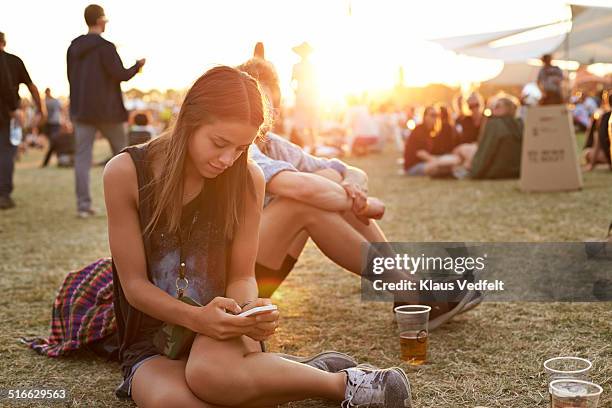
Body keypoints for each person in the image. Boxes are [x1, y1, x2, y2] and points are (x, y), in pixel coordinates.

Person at [104, 65, 412, 407]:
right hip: (151, 339)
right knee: (176, 402)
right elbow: (134, 288)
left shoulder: (248, 178)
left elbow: (241, 275)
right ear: (189, 119)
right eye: (220, 143)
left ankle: (345, 385)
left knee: (211, 377)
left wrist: (250, 311)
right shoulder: (126, 172)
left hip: (226, 327)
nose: (227, 159)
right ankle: (298, 373)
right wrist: (196, 317)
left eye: (240, 148)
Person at [238, 58, 479, 329]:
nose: (261, 118)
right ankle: (412, 291)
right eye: (253, 107)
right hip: (234, 280)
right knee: (304, 202)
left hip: (260, 264)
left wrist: (352, 188)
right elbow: (296, 187)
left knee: (324, 180)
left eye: (269, 109)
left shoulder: (274, 144)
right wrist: (363, 203)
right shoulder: (239, 147)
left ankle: (408, 290)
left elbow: (345, 171)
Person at [67, 4, 145, 218]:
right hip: (109, 112)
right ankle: (137, 203)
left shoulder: (73, 47)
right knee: (126, 156)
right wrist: (137, 66)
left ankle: (83, 207)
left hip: (82, 111)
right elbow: (121, 74)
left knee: (82, 159)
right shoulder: (106, 47)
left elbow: (70, 78)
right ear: (101, 21)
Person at [418, 94, 523, 179]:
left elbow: (486, 152)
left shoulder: (495, 124)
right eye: (470, 106)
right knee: (460, 154)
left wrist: (474, 172)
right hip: (510, 170)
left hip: (492, 167)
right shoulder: (518, 124)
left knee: (457, 157)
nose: (494, 109)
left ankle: (436, 167)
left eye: (497, 106)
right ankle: (437, 166)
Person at [0, 32, 45, 210]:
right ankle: (3, 195)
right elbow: (31, 87)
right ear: (4, 42)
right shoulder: (12, 60)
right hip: (7, 116)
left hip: (7, 115)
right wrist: (40, 109)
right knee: (6, 154)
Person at [585, 91, 612, 171]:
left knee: (588, 153)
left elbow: (597, 142)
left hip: (609, 157)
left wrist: (591, 165)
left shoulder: (604, 117)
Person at [41, 88, 63, 167]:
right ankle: (58, 159)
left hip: (56, 123)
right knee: (53, 143)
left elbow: (61, 109)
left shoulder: (55, 101)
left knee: (54, 142)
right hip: (49, 124)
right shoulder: (45, 102)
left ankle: (47, 162)